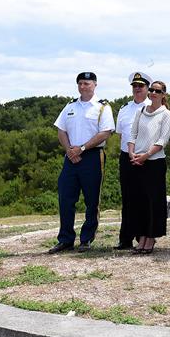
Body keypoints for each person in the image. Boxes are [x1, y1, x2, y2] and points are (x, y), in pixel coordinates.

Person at [49, 72, 115, 253]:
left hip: (92, 156)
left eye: (86, 83)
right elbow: (61, 130)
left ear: (95, 85)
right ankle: (65, 239)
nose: (83, 86)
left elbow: (106, 132)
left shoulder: (102, 107)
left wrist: (83, 148)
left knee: (92, 200)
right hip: (70, 157)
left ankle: (86, 239)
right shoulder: (70, 106)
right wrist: (70, 150)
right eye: (80, 83)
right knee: (65, 198)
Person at [127, 80, 170, 254]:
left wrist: (146, 155)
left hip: (154, 162)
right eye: (151, 90)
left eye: (157, 91)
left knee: (153, 202)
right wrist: (132, 154)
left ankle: (151, 237)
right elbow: (132, 134)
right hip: (137, 161)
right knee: (139, 202)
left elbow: (163, 140)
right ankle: (142, 236)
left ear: (163, 94)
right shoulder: (141, 111)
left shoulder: (165, 114)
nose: (153, 93)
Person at [113, 71, 152, 251]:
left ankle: (143, 236)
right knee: (128, 198)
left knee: (145, 199)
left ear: (147, 88)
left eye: (141, 86)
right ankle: (125, 238)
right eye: (135, 86)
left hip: (147, 159)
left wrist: (142, 154)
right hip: (126, 157)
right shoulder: (124, 109)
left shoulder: (153, 106)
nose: (137, 89)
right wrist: (129, 153)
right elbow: (121, 133)